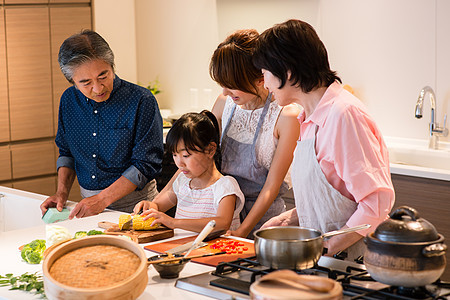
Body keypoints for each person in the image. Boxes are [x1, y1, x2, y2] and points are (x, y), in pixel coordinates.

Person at [254, 19, 395, 259]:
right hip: (326, 261)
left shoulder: (344, 115)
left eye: (265, 73)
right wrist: (291, 218)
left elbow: (376, 204)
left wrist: (325, 248)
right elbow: (335, 196)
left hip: (353, 262)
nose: (264, 83)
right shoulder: (307, 118)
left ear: (287, 72)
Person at [40, 30, 164, 219]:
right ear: (72, 81)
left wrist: (102, 199)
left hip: (138, 208)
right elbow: (66, 152)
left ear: (112, 66)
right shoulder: (69, 100)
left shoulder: (141, 100)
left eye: (103, 76)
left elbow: (145, 164)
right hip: (90, 207)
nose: (97, 89)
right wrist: (61, 194)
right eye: (86, 82)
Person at [209, 29, 301, 238]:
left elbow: (271, 185)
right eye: (222, 84)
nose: (224, 92)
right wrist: (161, 201)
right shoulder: (225, 103)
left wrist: (243, 230)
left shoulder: (286, 116)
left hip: (264, 225)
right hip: (222, 215)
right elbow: (197, 154)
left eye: (232, 85)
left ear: (260, 78)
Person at [134, 111, 244, 232]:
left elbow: (222, 223)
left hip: (214, 250)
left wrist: (173, 222)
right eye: (175, 155)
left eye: (186, 155)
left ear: (210, 150)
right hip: (183, 249)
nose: (179, 163)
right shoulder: (182, 181)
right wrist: (149, 206)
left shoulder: (225, 185)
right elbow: (158, 206)